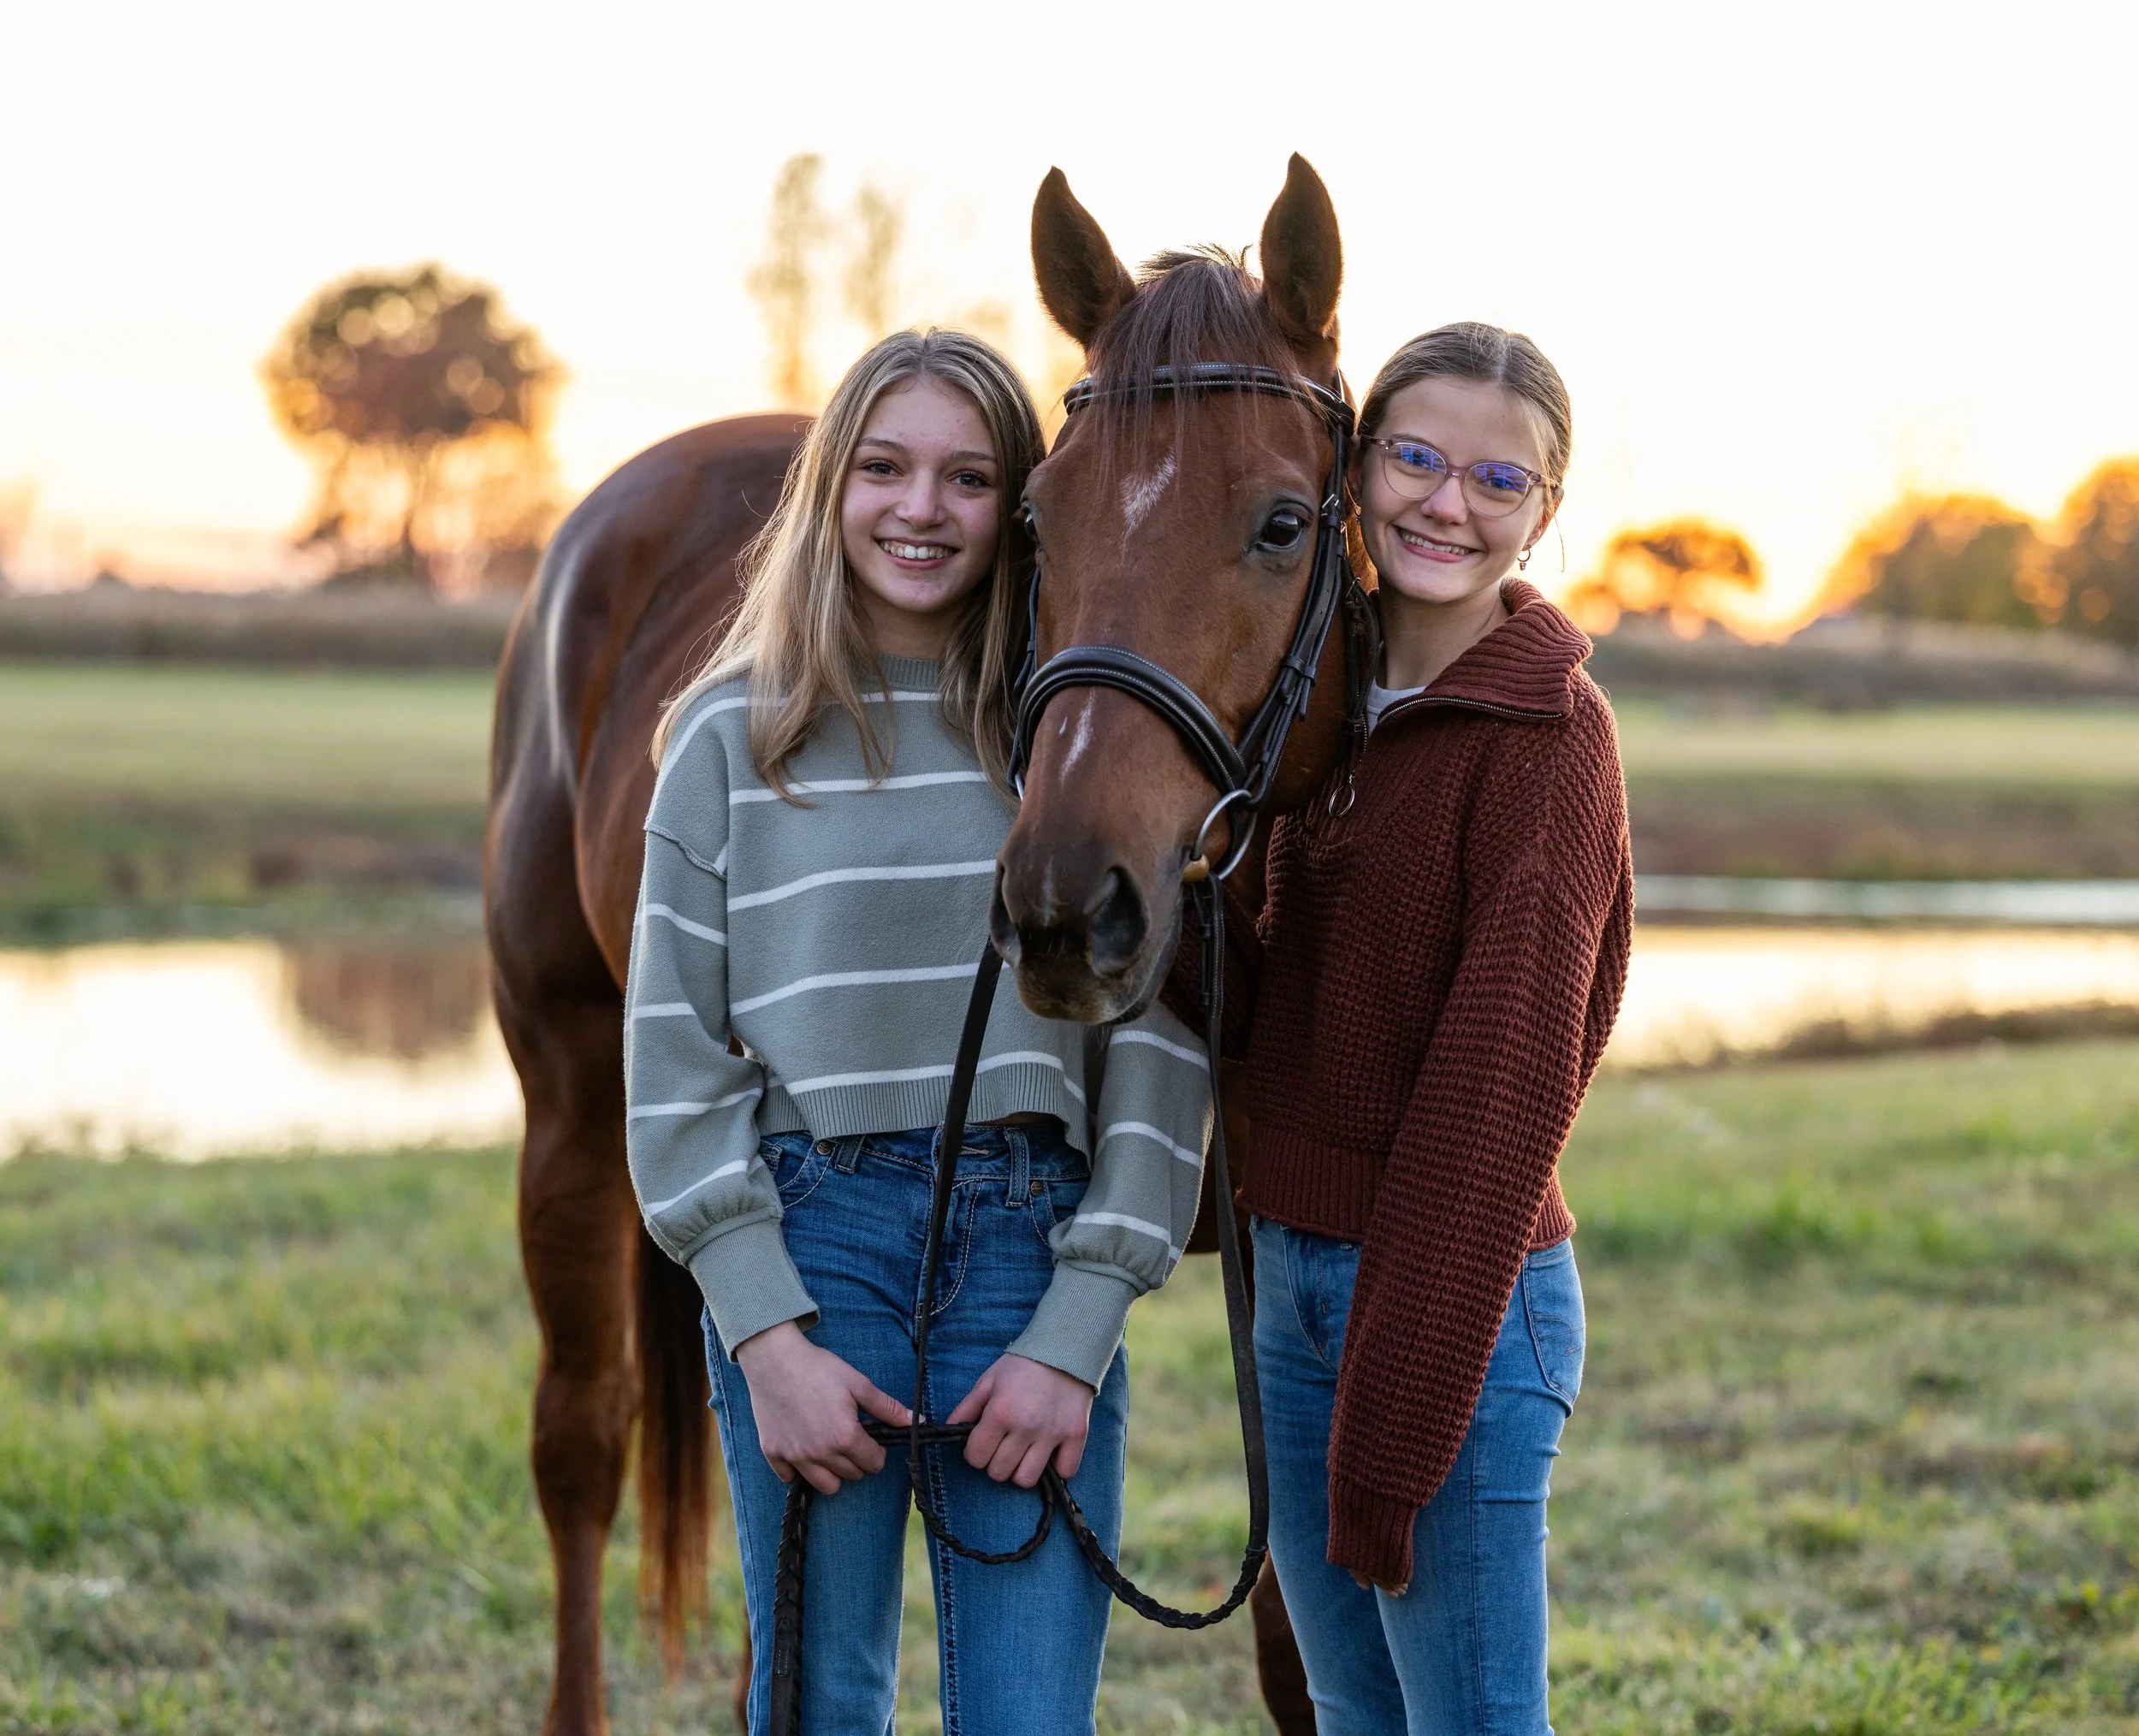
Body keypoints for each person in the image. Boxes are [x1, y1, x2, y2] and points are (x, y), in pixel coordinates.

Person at [624, 329, 1212, 1735]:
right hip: (812, 1246)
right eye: (884, 468)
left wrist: (1078, 1329)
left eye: (968, 477)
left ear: (1018, 508)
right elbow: (674, 1057)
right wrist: (764, 1334)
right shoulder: (728, 739)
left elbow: (1154, 1048)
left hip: (1029, 1244)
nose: (921, 509)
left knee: (1028, 1716)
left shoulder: (1067, 739)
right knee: (819, 1703)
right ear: (831, 487)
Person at [1241, 322, 1634, 1733]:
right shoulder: (1306, 707)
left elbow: (1500, 1100)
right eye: (1414, 457)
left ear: (1546, 509)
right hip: (1290, 1282)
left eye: (1497, 480)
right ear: (1356, 467)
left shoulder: (1549, 740)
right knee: (1352, 1713)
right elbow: (1269, 1014)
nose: (1447, 505)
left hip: (1456, 1305)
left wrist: (1395, 1431)